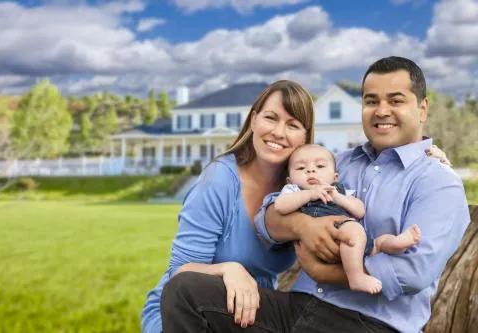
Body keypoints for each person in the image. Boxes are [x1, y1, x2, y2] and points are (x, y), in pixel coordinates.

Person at [161, 56, 469, 333]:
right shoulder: (338, 163)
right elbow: (266, 218)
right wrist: (301, 226)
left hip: (367, 323)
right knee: (187, 291)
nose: (381, 111)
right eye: (371, 100)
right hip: (296, 307)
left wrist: (326, 272)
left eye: (396, 100)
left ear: (422, 108)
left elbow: (413, 272)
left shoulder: (438, 183)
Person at [142, 80, 334, 333]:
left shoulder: (301, 190)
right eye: (270, 118)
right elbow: (180, 272)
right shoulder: (219, 179)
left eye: (292, 125)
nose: (278, 132)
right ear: (253, 120)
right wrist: (228, 269)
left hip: (248, 312)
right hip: (186, 312)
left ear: (305, 136)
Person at [275, 143, 421, 295]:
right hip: (330, 239)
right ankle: (356, 276)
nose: (311, 170)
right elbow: (280, 206)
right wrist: (309, 194)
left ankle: (397, 244)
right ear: (290, 180)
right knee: (353, 230)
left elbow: (359, 210)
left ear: (335, 177)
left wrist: (339, 197)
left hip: (353, 243)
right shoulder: (294, 190)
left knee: (379, 242)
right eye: (301, 168)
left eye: (319, 166)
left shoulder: (337, 190)